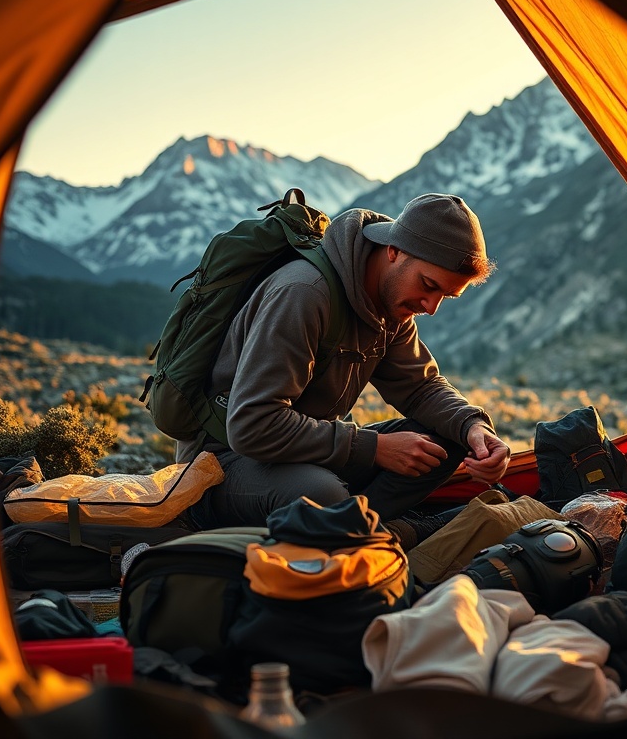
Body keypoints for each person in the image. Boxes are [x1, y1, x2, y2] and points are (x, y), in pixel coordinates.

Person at [184, 193, 511, 532]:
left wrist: (474, 428)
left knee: (447, 440)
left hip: (307, 457)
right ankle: (378, 532)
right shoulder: (303, 292)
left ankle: (353, 528)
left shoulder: (391, 306)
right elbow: (252, 425)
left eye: (446, 295)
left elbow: (421, 388)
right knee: (320, 495)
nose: (431, 306)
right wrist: (374, 448)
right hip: (223, 467)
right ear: (394, 251)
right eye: (428, 285)